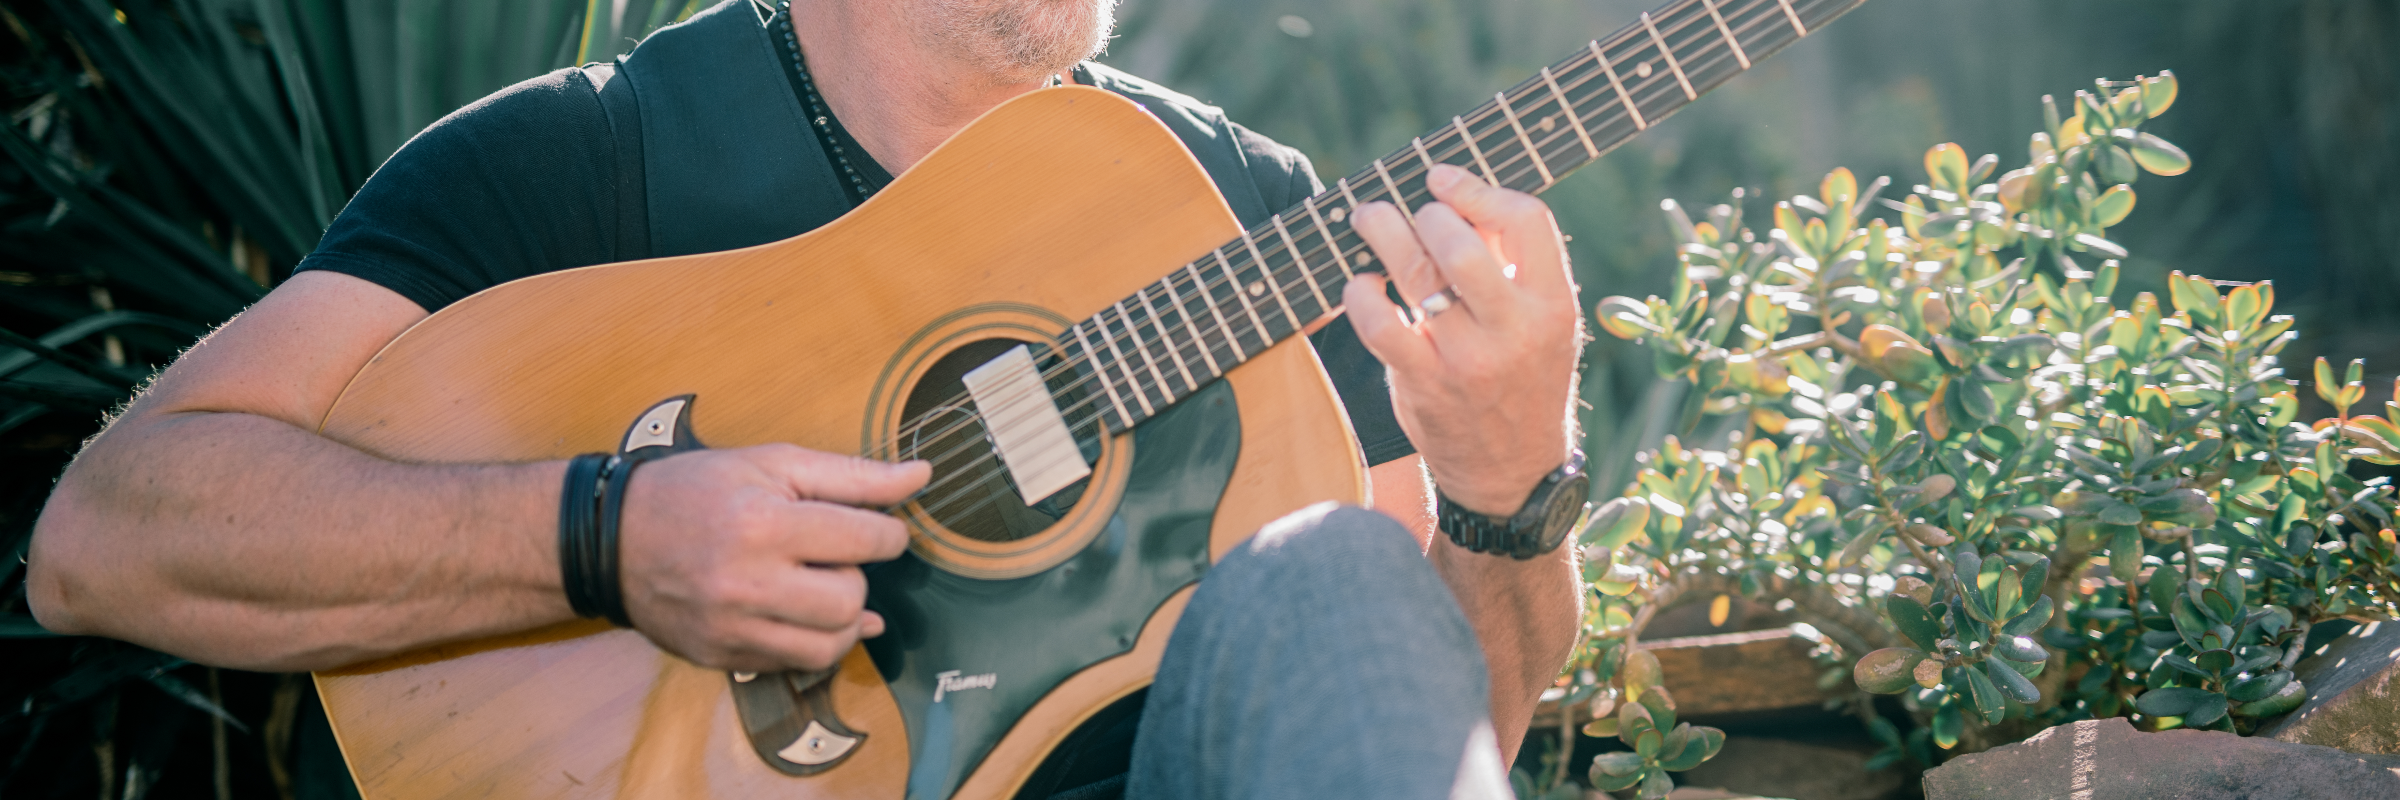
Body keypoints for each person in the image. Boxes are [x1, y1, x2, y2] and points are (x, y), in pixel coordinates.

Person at [26, 0, 1585, 796]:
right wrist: (601, 535)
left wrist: (1511, 492)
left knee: (1338, 571)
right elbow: (108, 533)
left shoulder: (1241, 209)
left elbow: (1406, 739)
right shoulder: (580, 167)